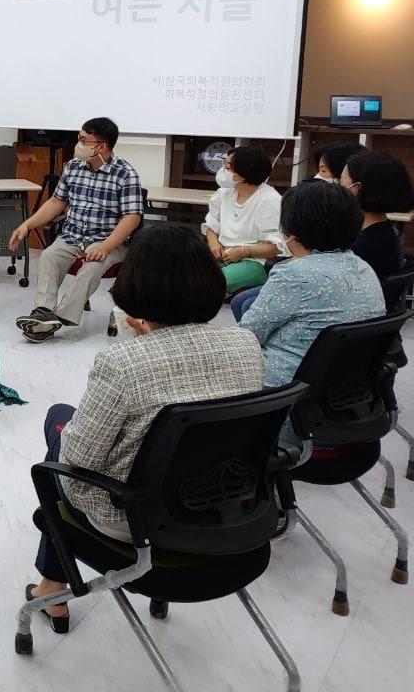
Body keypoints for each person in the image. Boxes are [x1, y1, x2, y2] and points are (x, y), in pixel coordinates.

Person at [27, 225, 265, 629]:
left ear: (134, 285)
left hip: (136, 523)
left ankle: (52, 586)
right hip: (228, 509)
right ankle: (52, 585)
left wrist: (137, 344)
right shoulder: (246, 345)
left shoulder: (124, 363)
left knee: (58, 424)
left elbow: (78, 458)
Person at [239, 180, 385, 390]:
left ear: (290, 231)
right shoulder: (363, 266)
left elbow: (247, 337)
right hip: (345, 386)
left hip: (283, 391)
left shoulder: (293, 275)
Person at [10, 117, 144, 342]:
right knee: (49, 256)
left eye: (83, 140)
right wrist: (27, 224)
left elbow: (132, 218)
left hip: (108, 241)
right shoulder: (73, 167)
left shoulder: (125, 174)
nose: (78, 145)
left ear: (101, 146)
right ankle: (43, 311)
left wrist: (105, 246)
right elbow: (56, 202)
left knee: (91, 268)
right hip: (72, 236)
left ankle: (57, 318)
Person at [202, 146, 286, 296]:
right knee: (187, 274)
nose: (223, 171)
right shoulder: (224, 192)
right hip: (223, 255)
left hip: (255, 262)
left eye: (228, 167)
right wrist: (214, 243)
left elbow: (276, 247)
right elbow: (211, 225)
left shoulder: (268, 200)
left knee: (209, 284)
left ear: (245, 173)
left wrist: (243, 251)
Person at [342, 150, 414, 282]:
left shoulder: (363, 247)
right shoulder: (385, 231)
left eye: (340, 182)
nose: (337, 188)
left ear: (357, 188)